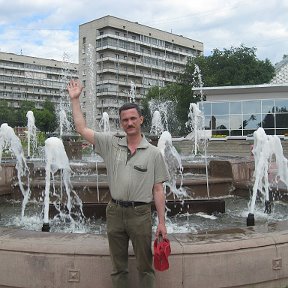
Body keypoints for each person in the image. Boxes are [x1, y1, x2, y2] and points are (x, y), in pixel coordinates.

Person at [67, 79, 169, 288]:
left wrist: (161, 222)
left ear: (141, 120)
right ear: (121, 123)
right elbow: (81, 128)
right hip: (114, 212)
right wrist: (75, 100)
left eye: (133, 119)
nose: (129, 123)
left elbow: (158, 190)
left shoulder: (153, 153)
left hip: (140, 214)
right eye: (125, 120)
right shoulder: (111, 143)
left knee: (145, 266)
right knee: (118, 268)